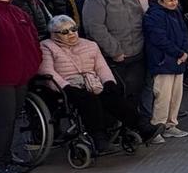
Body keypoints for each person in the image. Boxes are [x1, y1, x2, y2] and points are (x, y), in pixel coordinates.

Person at [39, 14, 158, 153]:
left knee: (112, 95)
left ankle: (141, 126)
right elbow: (47, 71)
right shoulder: (47, 46)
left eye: (73, 29)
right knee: (88, 99)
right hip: (66, 85)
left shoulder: (90, 45)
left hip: (93, 81)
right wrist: (65, 86)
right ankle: (99, 138)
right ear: (54, 35)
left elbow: (101, 67)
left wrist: (108, 82)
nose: (71, 33)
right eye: (64, 32)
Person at [81, 0, 155, 128]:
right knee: (117, 94)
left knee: (134, 93)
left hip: (136, 52)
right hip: (114, 57)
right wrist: (114, 50)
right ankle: (113, 129)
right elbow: (95, 28)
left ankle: (132, 128)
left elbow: (140, 21)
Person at [0, 0, 41, 173]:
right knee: (1, 121)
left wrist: (34, 62)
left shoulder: (16, 11)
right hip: (0, 79)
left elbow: (32, 38)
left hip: (20, 77)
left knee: (11, 121)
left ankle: (7, 157)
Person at [143, 0, 188, 138]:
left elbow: (184, 32)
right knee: (163, 96)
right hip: (163, 61)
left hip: (178, 59)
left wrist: (184, 51)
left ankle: (171, 124)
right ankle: (157, 127)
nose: (174, 3)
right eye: (170, 0)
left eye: (175, 0)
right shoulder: (154, 15)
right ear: (160, 1)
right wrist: (179, 52)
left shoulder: (176, 13)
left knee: (176, 95)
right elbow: (159, 38)